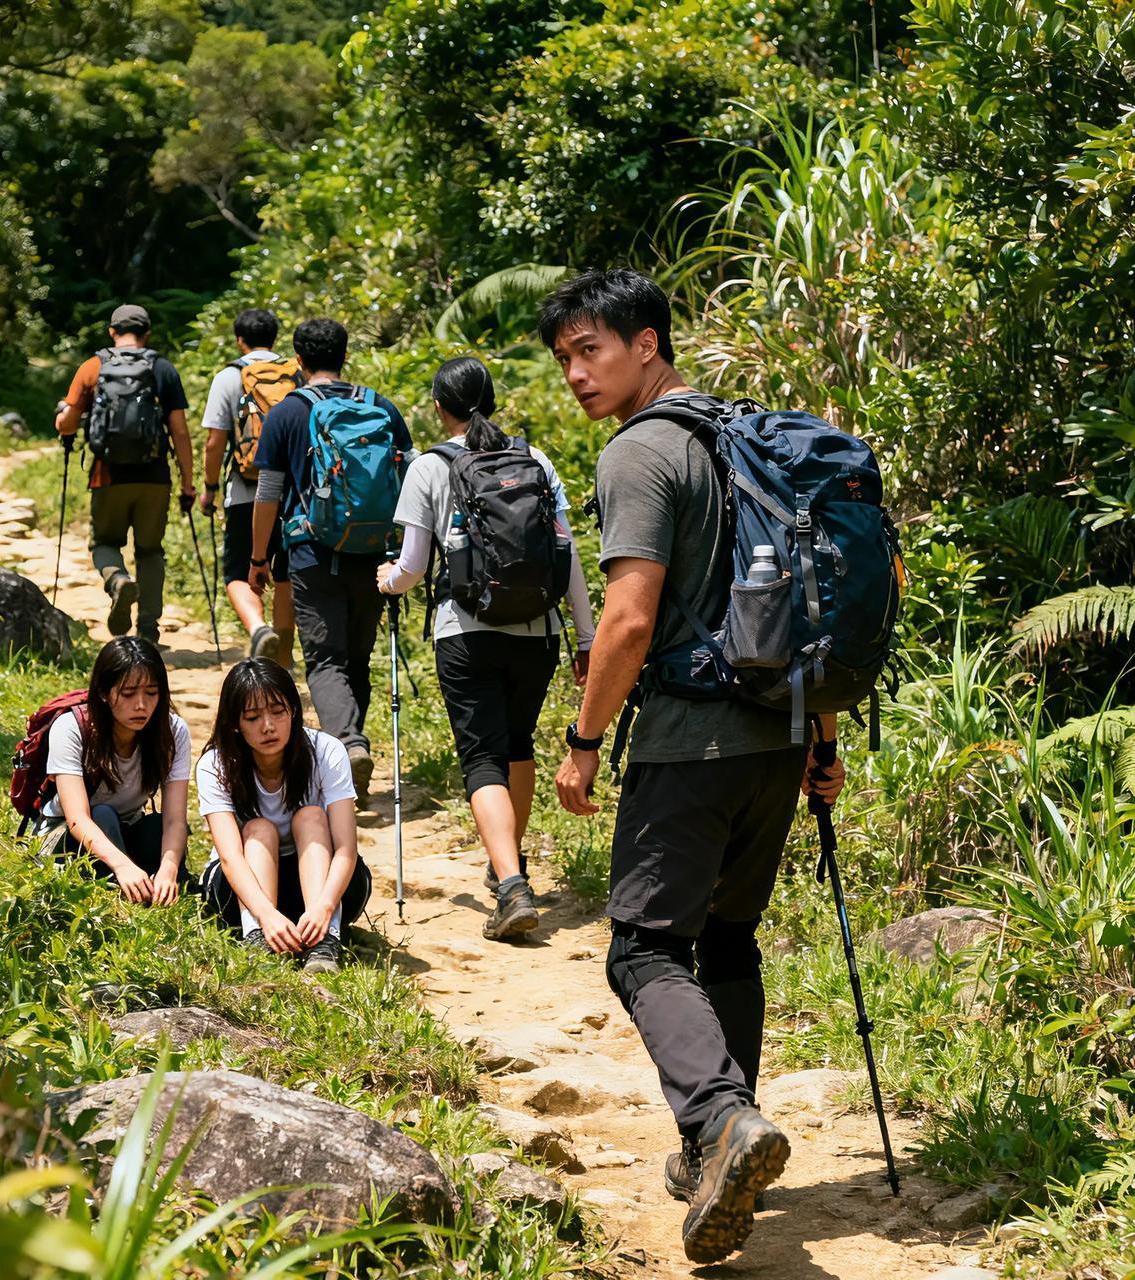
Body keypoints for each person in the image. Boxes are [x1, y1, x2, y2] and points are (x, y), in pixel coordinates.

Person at [540, 269, 847, 1265]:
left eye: (590, 350)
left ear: (646, 343)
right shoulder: (743, 437)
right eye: (563, 360)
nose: (576, 375)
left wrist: (582, 742)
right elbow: (813, 595)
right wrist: (823, 735)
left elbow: (627, 617)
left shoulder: (642, 451)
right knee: (729, 939)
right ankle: (718, 1143)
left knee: (639, 947)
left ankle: (718, 1121)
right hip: (774, 734)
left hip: (688, 739)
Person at [376, 356, 595, 941]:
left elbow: (414, 569)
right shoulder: (535, 460)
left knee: (482, 756)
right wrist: (586, 638)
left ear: (439, 406)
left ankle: (509, 884)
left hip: (465, 629)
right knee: (517, 744)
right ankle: (511, 868)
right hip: (538, 630)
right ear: (491, 399)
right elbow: (566, 556)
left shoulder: (428, 467)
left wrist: (386, 580)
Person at [249, 317, 413, 803]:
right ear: (345, 356)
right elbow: (410, 476)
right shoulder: (378, 405)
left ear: (298, 360)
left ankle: (347, 742)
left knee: (324, 658)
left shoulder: (287, 412)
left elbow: (269, 494)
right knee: (356, 657)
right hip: (374, 554)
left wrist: (259, 557)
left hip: (312, 553)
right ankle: (351, 743)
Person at [197, 657, 372, 974]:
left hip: (322, 889)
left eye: (278, 712)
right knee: (258, 829)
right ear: (235, 723)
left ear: (293, 709)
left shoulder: (326, 750)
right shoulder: (215, 764)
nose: (268, 726)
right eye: (253, 717)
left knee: (311, 817)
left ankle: (324, 941)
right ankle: (258, 941)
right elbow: (230, 858)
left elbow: (346, 846)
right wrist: (265, 915)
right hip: (242, 894)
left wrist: (324, 906)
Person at [55, 304, 196, 644]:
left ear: (111, 332)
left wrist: (63, 417)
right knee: (150, 551)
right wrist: (189, 485)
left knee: (104, 542)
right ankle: (148, 629)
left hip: (108, 475)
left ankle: (117, 579)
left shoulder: (93, 367)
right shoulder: (162, 368)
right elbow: (179, 431)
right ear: (146, 333)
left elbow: (68, 424)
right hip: (155, 477)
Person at [34, 636, 192, 904]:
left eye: (151, 693)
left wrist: (169, 870)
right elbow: (77, 820)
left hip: (127, 827)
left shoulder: (173, 731)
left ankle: (149, 887)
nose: (141, 705)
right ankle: (122, 889)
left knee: (157, 828)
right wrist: (122, 866)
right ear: (104, 694)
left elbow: (175, 820)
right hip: (69, 837)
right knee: (102, 815)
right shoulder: (71, 728)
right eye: (128, 694)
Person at [199, 307, 300, 668]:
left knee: (237, 572)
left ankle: (259, 629)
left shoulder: (229, 376)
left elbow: (215, 442)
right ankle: (283, 662)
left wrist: (209, 488)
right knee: (285, 574)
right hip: (292, 497)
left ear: (239, 339)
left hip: (244, 492)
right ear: (275, 338)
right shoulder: (296, 375)